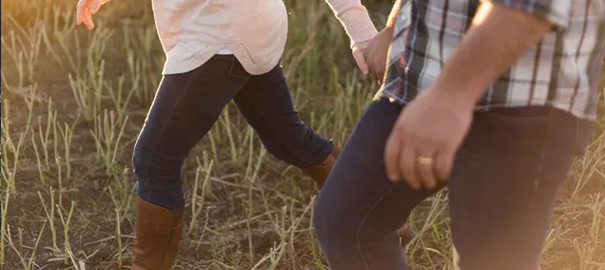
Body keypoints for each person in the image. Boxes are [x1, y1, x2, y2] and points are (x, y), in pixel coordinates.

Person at [74, 0, 417, 269]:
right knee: (288, 140)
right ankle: (380, 215)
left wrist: (363, 35)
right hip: (249, 25)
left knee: (153, 160)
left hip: (219, 34)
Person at [313, 0, 604, 269]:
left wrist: (452, 95)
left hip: (522, 94)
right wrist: (397, 20)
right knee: (347, 224)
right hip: (423, 73)